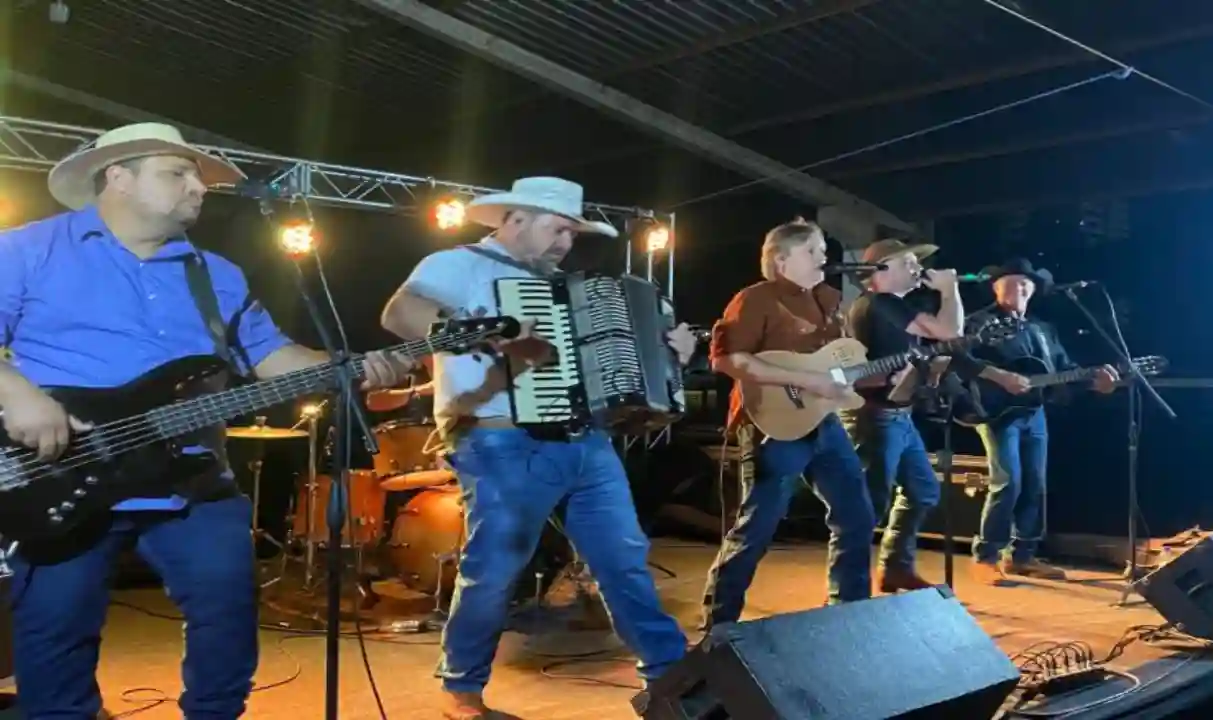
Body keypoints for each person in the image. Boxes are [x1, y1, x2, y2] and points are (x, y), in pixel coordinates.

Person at [0, 123, 410, 719]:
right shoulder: (27, 248)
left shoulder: (215, 272)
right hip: (63, 472)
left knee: (228, 610)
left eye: (199, 176)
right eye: (179, 172)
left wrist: (353, 364)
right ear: (117, 176)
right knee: (55, 628)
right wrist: (18, 393)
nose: (199, 187)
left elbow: (271, 358)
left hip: (189, 473)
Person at [381, 176, 695, 719]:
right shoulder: (460, 263)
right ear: (517, 218)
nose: (565, 244)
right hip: (499, 436)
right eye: (558, 229)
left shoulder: (568, 289)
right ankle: (462, 690)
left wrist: (672, 354)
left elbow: (619, 364)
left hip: (586, 440)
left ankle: (673, 680)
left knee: (624, 561)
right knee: (496, 568)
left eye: (572, 234)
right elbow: (399, 314)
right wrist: (483, 332)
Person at [701, 218, 876, 629]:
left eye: (823, 251)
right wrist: (806, 379)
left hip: (823, 421)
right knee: (758, 526)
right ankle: (718, 628)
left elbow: (835, 365)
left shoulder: (827, 300)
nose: (824, 258)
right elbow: (727, 359)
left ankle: (850, 616)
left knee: (858, 515)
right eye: (813, 251)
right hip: (770, 425)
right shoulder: (754, 299)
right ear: (781, 260)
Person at [847, 239, 1028, 592]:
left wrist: (933, 370)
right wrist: (949, 289)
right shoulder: (878, 303)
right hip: (872, 415)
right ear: (883, 269)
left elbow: (948, 347)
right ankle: (846, 587)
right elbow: (950, 332)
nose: (918, 269)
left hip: (897, 414)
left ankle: (895, 567)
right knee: (867, 505)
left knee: (923, 490)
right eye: (910, 262)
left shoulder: (897, 308)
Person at [966, 258, 1118, 585]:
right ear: (996, 287)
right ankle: (986, 556)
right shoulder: (979, 323)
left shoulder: (1042, 329)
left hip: (1034, 412)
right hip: (997, 413)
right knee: (1008, 483)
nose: (1020, 288)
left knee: (1035, 484)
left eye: (1026, 284)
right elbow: (963, 363)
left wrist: (1094, 381)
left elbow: (1063, 367)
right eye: (1012, 282)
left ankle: (1023, 556)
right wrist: (1002, 378)